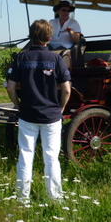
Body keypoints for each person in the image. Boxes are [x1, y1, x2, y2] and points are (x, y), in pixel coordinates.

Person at [6, 19, 71, 201]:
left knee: (25, 156)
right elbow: (66, 89)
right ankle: (55, 197)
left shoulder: (21, 58)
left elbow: (10, 87)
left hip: (27, 114)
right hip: (52, 116)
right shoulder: (56, 59)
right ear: (49, 37)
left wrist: (18, 104)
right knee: (51, 158)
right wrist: (61, 107)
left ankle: (22, 198)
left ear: (31, 36)